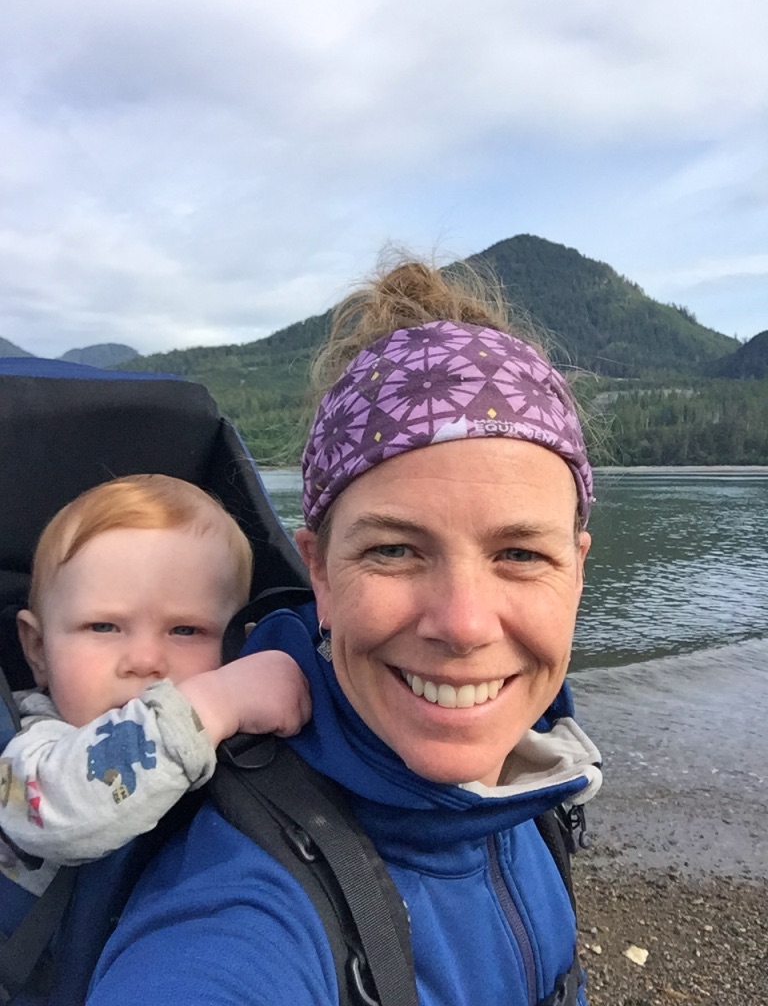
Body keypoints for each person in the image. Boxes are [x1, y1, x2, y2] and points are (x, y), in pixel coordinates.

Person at [88, 261, 603, 1006]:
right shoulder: (239, 913)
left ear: (577, 570)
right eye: (394, 550)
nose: (463, 624)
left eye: (520, 554)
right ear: (320, 573)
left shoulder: (536, 774)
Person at [0, 473, 310, 894]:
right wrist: (213, 702)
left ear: (238, 645)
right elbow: (57, 814)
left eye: (185, 630)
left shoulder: (243, 741)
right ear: (38, 649)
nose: (146, 661)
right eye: (104, 626)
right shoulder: (30, 754)